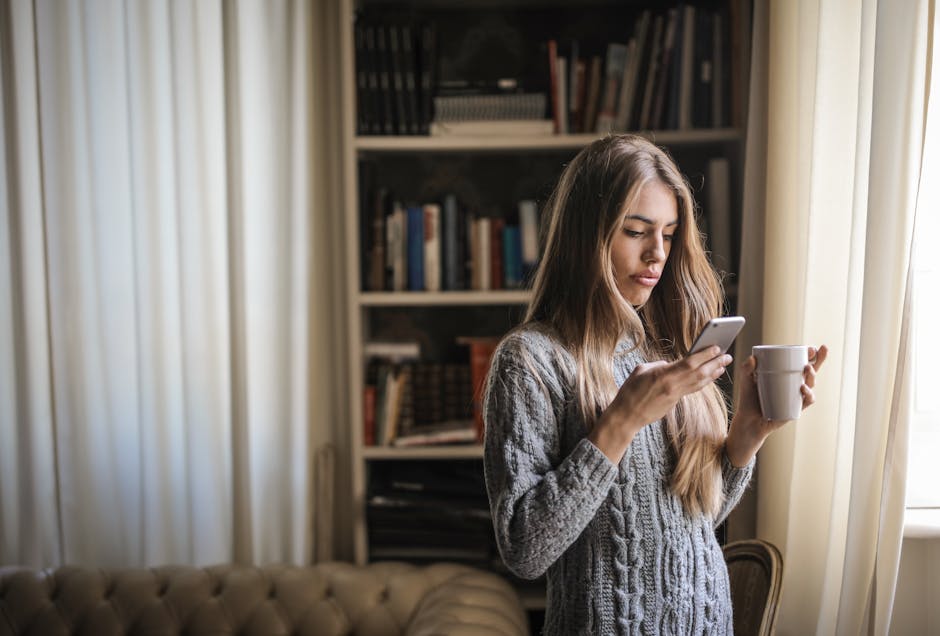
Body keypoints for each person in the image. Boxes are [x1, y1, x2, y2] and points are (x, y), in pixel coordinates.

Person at [482, 134, 828, 635]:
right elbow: (526, 548)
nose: (656, 254)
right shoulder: (530, 362)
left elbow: (691, 522)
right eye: (636, 231)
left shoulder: (661, 350)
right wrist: (621, 422)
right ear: (587, 237)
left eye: (668, 234)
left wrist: (744, 440)